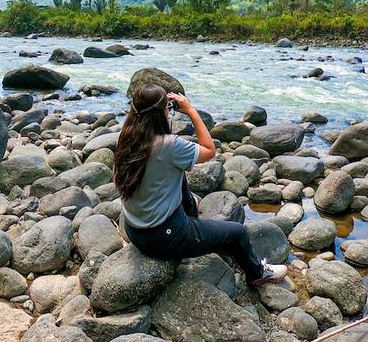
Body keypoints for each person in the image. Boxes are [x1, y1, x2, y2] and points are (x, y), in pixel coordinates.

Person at [114, 83, 288, 286]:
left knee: (179, 177)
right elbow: (209, 149)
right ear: (161, 112)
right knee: (238, 233)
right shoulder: (168, 145)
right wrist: (190, 110)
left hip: (134, 229)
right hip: (162, 237)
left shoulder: (127, 137)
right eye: (167, 107)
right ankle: (257, 273)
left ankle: (192, 222)